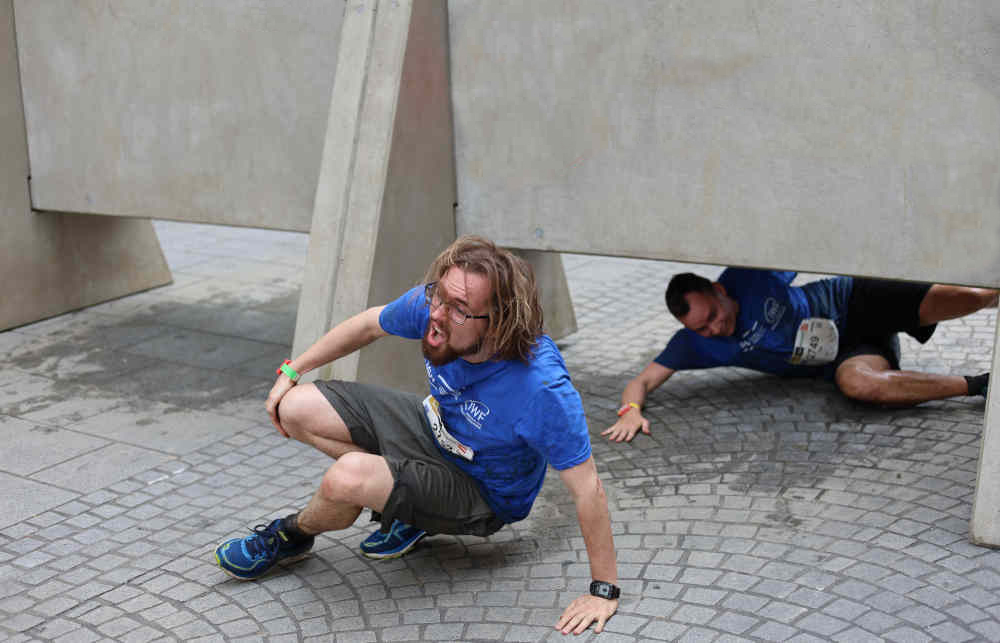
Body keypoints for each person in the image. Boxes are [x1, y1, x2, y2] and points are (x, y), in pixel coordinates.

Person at [215, 236, 619, 635]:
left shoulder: (540, 389)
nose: (438, 316)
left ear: (497, 320)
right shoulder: (437, 309)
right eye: (439, 296)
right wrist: (292, 370)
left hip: (483, 492)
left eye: (459, 309)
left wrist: (603, 591)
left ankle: (291, 536)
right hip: (432, 432)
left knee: (349, 477)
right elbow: (369, 323)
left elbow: (588, 489)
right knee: (296, 407)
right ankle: (406, 507)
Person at [604, 268, 996, 442]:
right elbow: (642, 381)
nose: (714, 329)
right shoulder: (695, 344)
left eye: (712, 317)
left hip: (854, 299)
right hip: (850, 352)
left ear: (717, 290)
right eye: (701, 329)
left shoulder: (748, 276)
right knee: (860, 384)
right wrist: (630, 410)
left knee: (968, 296)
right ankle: (981, 385)